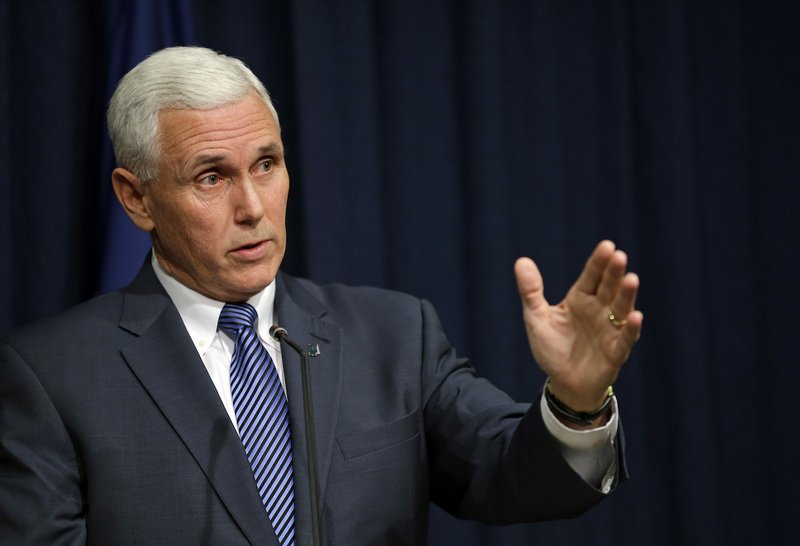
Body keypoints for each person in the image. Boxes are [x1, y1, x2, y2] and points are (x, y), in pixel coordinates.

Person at [0, 46, 642, 545]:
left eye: (266, 164)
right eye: (211, 176)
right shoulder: (51, 377)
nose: (252, 207)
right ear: (136, 198)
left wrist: (577, 402)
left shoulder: (395, 334)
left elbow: (510, 478)